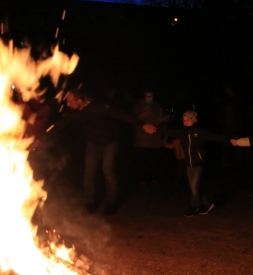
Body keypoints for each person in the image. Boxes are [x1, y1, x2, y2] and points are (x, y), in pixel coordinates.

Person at [42, 87, 139, 215]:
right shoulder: (74, 112)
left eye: (70, 101)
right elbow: (59, 124)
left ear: (79, 100)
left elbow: (121, 115)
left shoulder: (98, 106)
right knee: (88, 173)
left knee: (107, 170)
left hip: (110, 142)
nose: (68, 104)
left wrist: (142, 124)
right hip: (93, 144)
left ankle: (111, 202)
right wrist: (40, 139)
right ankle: (90, 203)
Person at [144, 110, 227, 217]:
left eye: (188, 120)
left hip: (198, 163)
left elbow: (215, 136)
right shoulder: (182, 132)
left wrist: (231, 140)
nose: (185, 122)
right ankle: (207, 203)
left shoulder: (199, 132)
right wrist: (154, 128)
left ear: (194, 120)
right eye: (184, 120)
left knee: (193, 187)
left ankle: (194, 207)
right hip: (188, 163)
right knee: (194, 187)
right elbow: (169, 131)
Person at [132, 90, 165, 186]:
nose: (149, 98)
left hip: (154, 138)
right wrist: (145, 113)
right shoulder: (138, 106)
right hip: (141, 139)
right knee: (142, 159)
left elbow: (161, 119)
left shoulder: (158, 107)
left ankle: (153, 179)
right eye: (147, 96)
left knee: (153, 160)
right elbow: (133, 118)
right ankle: (142, 180)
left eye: (151, 96)